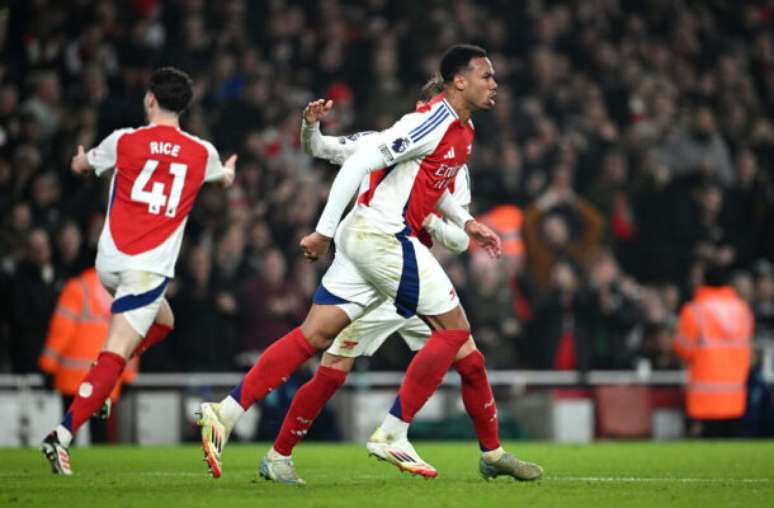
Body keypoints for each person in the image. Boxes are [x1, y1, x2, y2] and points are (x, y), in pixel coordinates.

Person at [197, 44, 542, 484]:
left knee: (317, 335)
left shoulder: (461, 135)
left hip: (384, 255)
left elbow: (439, 199)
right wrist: (322, 224)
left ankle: (225, 412)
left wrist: (467, 223)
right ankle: (393, 433)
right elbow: (338, 153)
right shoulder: (424, 124)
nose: (495, 84)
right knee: (452, 333)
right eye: (487, 76)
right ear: (455, 85)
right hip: (385, 244)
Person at [40, 67, 236, 475]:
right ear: (186, 106)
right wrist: (229, 172)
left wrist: (79, 159)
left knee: (165, 320)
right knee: (114, 352)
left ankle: (102, 382)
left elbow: (82, 165)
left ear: (150, 99)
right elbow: (224, 180)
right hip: (146, 272)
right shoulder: (202, 153)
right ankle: (61, 435)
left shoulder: (123, 141)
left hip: (110, 263)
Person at [38, 267, 139, 443]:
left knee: (67, 434)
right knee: (101, 436)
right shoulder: (126, 292)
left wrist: (48, 366)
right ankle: (100, 470)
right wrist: (129, 376)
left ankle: (62, 465)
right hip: (105, 380)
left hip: (72, 379)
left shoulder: (77, 287)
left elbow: (61, 331)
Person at [674, 263, 753, 438]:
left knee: (706, 453)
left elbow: (682, 349)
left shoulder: (694, 311)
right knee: (731, 455)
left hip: (704, 397)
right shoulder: (742, 310)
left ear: (704, 281)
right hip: (735, 395)